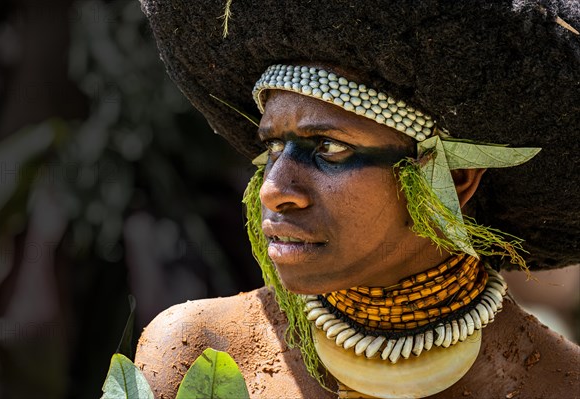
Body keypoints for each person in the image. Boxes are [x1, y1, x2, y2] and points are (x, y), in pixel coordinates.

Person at [135, 1, 580, 398]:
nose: (274, 189)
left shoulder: (560, 382)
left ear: (454, 179)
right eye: (273, 147)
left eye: (329, 148)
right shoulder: (196, 353)